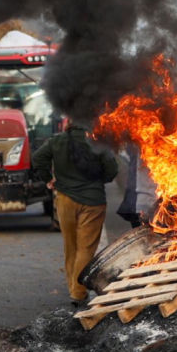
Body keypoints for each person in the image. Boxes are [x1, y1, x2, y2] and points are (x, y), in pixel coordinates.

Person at [32, 120, 118, 307]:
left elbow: (38, 157)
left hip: (65, 200)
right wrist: (97, 182)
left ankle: (73, 287)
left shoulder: (57, 141)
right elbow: (112, 169)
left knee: (70, 246)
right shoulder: (98, 141)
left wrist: (49, 179)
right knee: (85, 248)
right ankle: (78, 293)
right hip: (93, 202)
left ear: (68, 124)